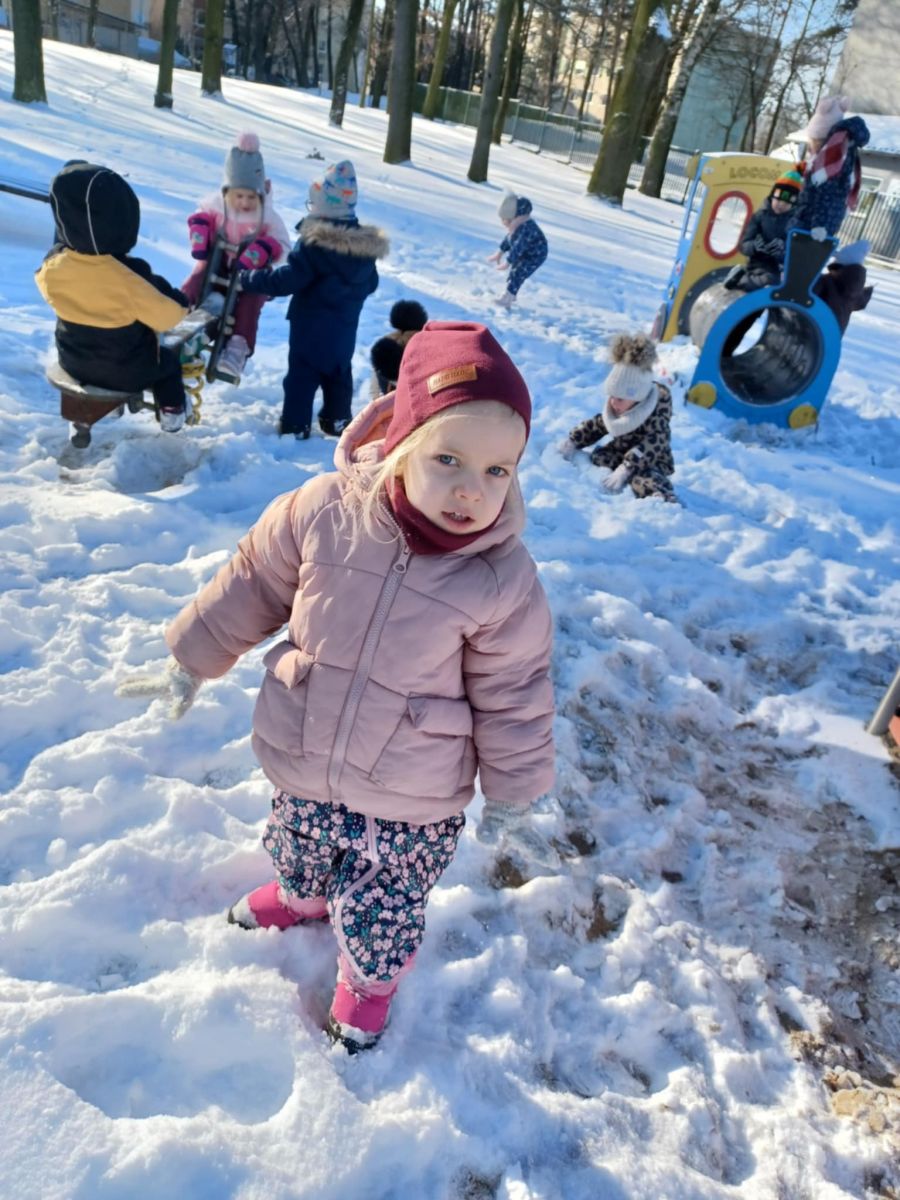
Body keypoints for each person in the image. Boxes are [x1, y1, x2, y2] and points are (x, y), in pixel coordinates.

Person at [117, 321, 556, 1053]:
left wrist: (513, 790)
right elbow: (252, 585)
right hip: (307, 746)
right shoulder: (323, 511)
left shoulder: (501, 579)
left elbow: (516, 691)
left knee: (385, 902)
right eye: (448, 458)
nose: (469, 490)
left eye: (496, 471)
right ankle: (301, 896)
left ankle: (369, 984)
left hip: (411, 792)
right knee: (298, 839)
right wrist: (190, 659)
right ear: (403, 441)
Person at [35, 160, 192, 433]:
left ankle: (85, 414)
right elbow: (169, 317)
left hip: (73, 362)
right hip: (127, 372)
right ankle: (171, 412)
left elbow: (44, 285)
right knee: (167, 362)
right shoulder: (129, 276)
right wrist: (181, 300)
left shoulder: (54, 267)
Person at [240, 160, 389, 439]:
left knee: (302, 376)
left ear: (322, 206)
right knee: (338, 374)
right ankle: (337, 419)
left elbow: (289, 279)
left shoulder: (315, 244)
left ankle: (295, 425)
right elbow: (371, 283)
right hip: (344, 330)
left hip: (310, 328)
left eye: (312, 203)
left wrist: (251, 279)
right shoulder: (363, 249)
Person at [180, 132, 291, 385]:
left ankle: (237, 348)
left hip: (251, 274)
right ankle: (178, 312)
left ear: (260, 194)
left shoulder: (267, 216)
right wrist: (200, 229)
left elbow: (283, 246)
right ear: (227, 192)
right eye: (239, 196)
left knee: (250, 303)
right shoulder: (218, 206)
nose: (244, 202)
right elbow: (201, 215)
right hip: (218, 264)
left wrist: (265, 248)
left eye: (251, 197)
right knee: (197, 277)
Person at [560, 333, 676, 503]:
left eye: (620, 398)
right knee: (599, 457)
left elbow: (653, 444)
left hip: (652, 459)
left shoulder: (654, 415)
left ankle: (661, 495)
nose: (613, 402)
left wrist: (627, 467)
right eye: (612, 396)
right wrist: (573, 440)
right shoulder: (619, 407)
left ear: (637, 397)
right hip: (623, 451)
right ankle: (626, 470)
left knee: (642, 478)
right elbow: (598, 424)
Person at [790, 96, 871, 239]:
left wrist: (819, 225)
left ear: (822, 138)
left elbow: (827, 193)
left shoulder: (832, 158)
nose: (811, 148)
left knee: (800, 252)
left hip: (813, 226)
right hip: (819, 221)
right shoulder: (844, 151)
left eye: (813, 141)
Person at [724, 166, 804, 293]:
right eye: (778, 200)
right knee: (769, 280)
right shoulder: (760, 217)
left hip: (780, 267)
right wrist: (754, 246)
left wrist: (782, 250)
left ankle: (743, 280)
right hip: (759, 264)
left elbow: (796, 252)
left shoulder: (794, 224)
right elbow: (743, 244)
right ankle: (740, 279)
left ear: (793, 205)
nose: (781, 205)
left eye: (787, 203)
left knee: (781, 284)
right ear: (772, 196)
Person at [487, 193, 548, 309]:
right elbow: (509, 239)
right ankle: (512, 294)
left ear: (515, 217)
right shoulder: (517, 225)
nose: (503, 223)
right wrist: (499, 253)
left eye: (505, 220)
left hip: (535, 256)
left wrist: (507, 262)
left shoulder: (526, 229)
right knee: (515, 272)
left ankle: (507, 298)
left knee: (517, 273)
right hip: (526, 251)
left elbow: (517, 247)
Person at [369, 298, 428, 397]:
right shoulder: (425, 343)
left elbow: (374, 385)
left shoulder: (384, 344)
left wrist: (376, 399)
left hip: (390, 398)